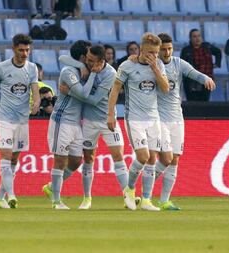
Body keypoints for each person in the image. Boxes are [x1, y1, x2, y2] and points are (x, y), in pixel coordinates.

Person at [43, 45, 137, 209]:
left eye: (92, 61)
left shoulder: (110, 74)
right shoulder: (83, 67)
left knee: (118, 155)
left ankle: (127, 194)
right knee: (87, 159)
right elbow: (63, 59)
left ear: (101, 61)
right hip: (87, 121)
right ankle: (87, 199)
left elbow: (93, 100)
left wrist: (70, 91)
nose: (88, 61)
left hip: (108, 119)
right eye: (87, 58)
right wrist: (82, 67)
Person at [107, 33, 169, 211]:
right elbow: (115, 89)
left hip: (153, 118)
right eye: (150, 52)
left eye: (156, 53)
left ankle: (147, 200)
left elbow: (165, 89)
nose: (154, 56)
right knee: (143, 156)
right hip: (134, 118)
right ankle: (130, 189)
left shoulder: (159, 66)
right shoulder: (127, 66)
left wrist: (156, 69)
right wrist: (111, 114)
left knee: (152, 159)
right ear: (141, 50)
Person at [154, 33, 216, 210]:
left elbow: (194, 73)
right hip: (159, 118)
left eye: (169, 48)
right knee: (165, 158)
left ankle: (164, 200)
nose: (167, 52)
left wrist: (206, 79)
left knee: (175, 159)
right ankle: (144, 194)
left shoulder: (178, 63)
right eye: (163, 49)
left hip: (177, 118)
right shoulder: (152, 66)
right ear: (157, 50)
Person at [0, 34, 40, 209]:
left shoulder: (32, 68)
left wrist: (36, 102)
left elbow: (35, 89)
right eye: (21, 50)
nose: (24, 53)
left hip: (22, 119)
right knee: (5, 156)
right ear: (13, 49)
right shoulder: (1, 68)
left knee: (14, 158)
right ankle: (12, 195)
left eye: (27, 50)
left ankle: (0, 197)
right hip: (4, 117)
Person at [46, 40, 99, 210]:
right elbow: (83, 95)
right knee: (60, 161)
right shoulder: (68, 71)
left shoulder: (82, 68)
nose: (92, 58)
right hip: (62, 120)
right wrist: (88, 75)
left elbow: (63, 57)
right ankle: (56, 200)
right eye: (89, 54)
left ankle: (50, 187)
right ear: (83, 56)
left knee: (76, 161)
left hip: (76, 122)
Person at [180, 29, 221, 101]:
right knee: (192, 105)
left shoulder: (207, 46)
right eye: (194, 36)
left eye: (199, 36)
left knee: (204, 105)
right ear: (190, 38)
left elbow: (218, 52)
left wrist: (217, 64)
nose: (197, 38)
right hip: (191, 82)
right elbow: (182, 66)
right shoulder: (186, 50)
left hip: (206, 81)